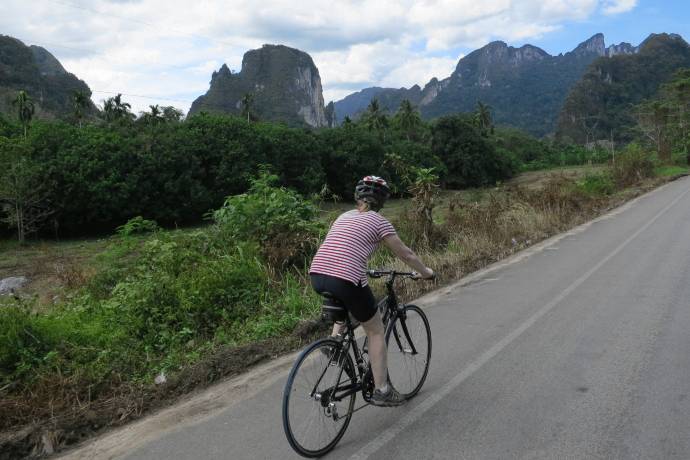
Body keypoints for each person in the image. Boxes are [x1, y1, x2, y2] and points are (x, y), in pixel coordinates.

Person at [309, 175, 434, 406]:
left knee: (351, 303)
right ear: (383, 201)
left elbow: (343, 247)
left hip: (317, 274)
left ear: (358, 197)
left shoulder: (343, 216)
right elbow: (405, 254)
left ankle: (335, 343)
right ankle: (382, 390)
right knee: (375, 330)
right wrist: (425, 272)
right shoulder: (379, 222)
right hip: (345, 278)